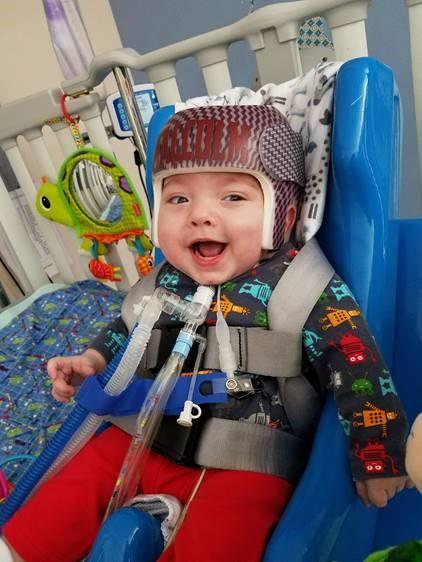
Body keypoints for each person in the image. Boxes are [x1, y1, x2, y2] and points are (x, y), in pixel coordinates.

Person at [1, 105, 412, 562]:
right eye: (178, 200)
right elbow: (127, 328)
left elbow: (358, 364)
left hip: (243, 462)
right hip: (137, 431)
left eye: (233, 197)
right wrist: (93, 362)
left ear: (284, 212)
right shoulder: (164, 278)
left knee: (223, 541)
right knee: (55, 506)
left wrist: (377, 454)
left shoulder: (301, 285)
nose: (200, 215)